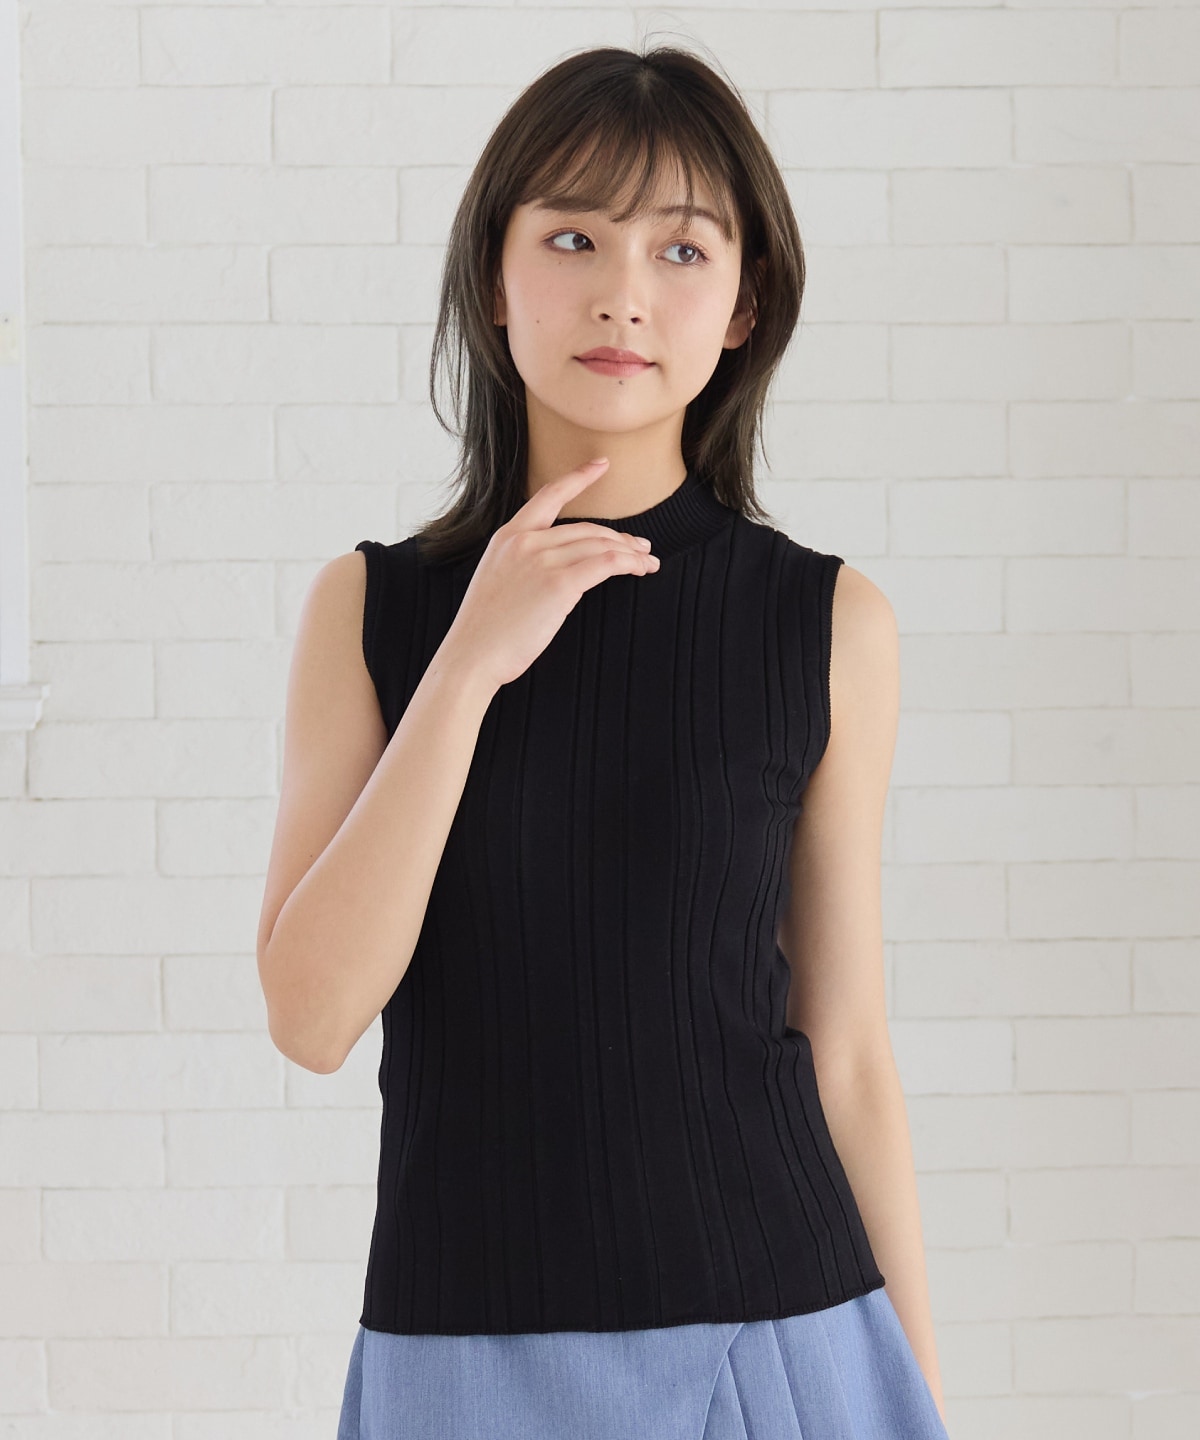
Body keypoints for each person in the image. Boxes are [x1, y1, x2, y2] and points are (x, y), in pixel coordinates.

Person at [256, 42, 951, 1440]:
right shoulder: (371, 610)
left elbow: (849, 1051)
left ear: (743, 304)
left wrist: (915, 1391)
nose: (624, 293)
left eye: (681, 249)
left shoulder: (827, 622)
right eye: (572, 237)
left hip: (778, 1330)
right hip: (461, 1346)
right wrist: (469, 663)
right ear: (494, 277)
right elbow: (311, 1017)